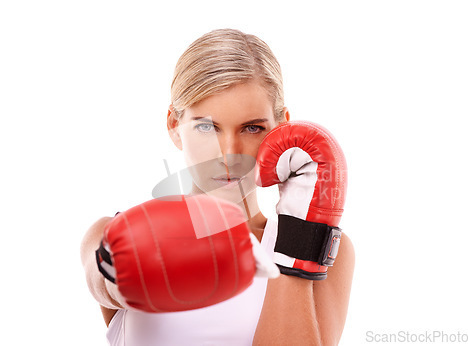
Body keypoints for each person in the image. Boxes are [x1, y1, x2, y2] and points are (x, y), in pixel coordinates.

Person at [81, 28, 355, 346]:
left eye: (252, 127)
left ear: (281, 131)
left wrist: (298, 238)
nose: (228, 153)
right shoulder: (112, 232)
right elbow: (101, 280)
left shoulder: (323, 249)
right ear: (174, 126)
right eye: (206, 126)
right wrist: (130, 262)